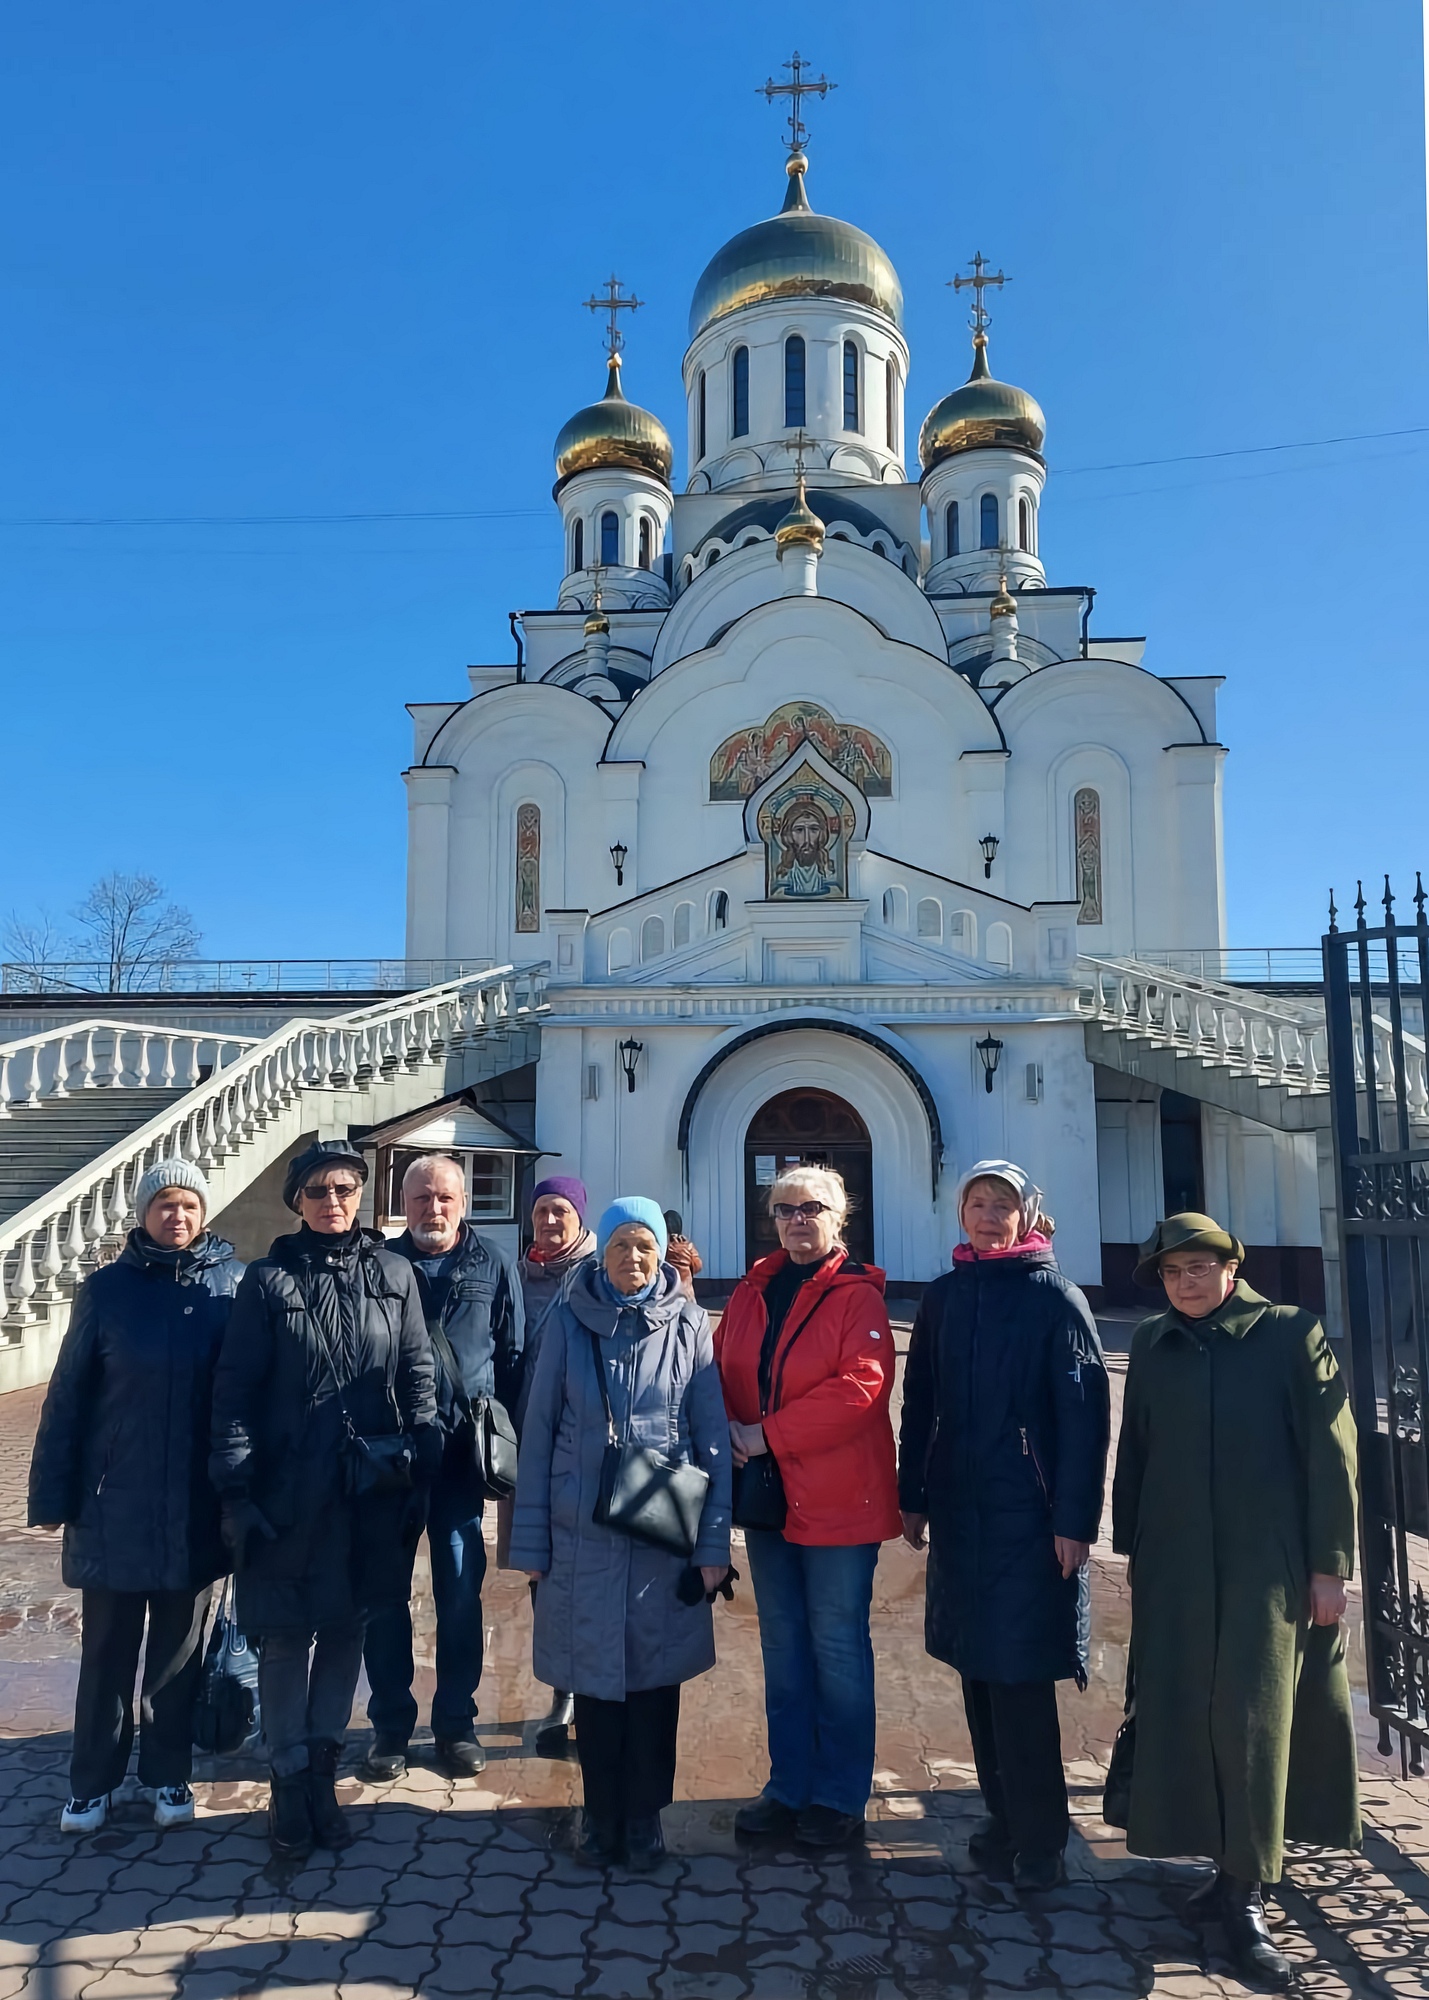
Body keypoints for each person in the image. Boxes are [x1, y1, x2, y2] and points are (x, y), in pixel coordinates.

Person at [1112, 1212, 1359, 1989]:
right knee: (1186, 1709)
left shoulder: (1290, 1334)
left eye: (1199, 1268)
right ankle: (1215, 1866)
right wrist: (1131, 1547)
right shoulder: (1153, 1343)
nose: (1186, 1284)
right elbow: (1138, 1448)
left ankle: (1248, 1890)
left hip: (1266, 1565)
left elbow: (1330, 1450)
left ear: (1231, 1268)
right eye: (1171, 1272)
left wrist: (1329, 1566)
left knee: (1253, 1717)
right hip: (1178, 1562)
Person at [210, 1139, 439, 1860]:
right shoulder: (267, 1280)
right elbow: (235, 1391)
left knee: (346, 1631)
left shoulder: (395, 1273)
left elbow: (416, 1372)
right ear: (297, 1201)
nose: (332, 1201)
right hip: (286, 1491)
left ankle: (320, 1774)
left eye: (344, 1188)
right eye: (318, 1191)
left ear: (361, 1197)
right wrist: (237, 1489)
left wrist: (421, 1461)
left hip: (366, 1494)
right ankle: (285, 1782)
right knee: (284, 1638)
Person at [897, 1161, 1109, 1893]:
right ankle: (1002, 1814)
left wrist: (1073, 1519)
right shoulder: (948, 1296)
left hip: (1027, 1517)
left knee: (1018, 1675)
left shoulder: (1054, 1299)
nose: (989, 1216)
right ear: (961, 1214)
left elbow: (1084, 1423)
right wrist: (912, 1495)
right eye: (977, 1203)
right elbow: (919, 1399)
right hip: (960, 1510)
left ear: (1027, 1214)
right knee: (977, 1671)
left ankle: (1042, 1838)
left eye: (1003, 1205)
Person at [510, 1196, 731, 1871]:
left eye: (643, 1246)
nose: (632, 1259)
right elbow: (538, 1435)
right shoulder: (567, 1324)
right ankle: (599, 1813)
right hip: (580, 1535)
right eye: (619, 1247)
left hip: (660, 1534)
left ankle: (644, 1817)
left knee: (653, 1685)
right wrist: (531, 1548)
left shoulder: (690, 1326)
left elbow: (712, 1438)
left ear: (661, 1252)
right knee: (595, 1685)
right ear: (599, 1252)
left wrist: (713, 1546)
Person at [28, 1160, 243, 1834]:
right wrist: (52, 1496)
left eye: (188, 1205)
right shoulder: (106, 1291)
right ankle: (91, 1782)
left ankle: (167, 1774)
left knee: (177, 1655)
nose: (176, 1217)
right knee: (107, 1654)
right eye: (164, 1205)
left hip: (194, 1506)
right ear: (143, 1213)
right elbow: (67, 1399)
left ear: (203, 1213)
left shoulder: (230, 1288)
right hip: (113, 1504)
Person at [715, 1164, 901, 1851]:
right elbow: (722, 1369)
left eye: (812, 1208)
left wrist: (764, 1435)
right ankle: (787, 1784)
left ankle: (839, 1794)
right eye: (785, 1208)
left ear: (839, 1218)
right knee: (782, 1646)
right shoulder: (751, 1290)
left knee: (836, 1647)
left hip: (836, 1500)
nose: (798, 1219)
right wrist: (723, 1434)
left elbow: (860, 1388)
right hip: (768, 1499)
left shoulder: (857, 1298)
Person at [362, 1153, 524, 1783]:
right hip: (393, 1461)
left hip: (459, 1462)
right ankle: (390, 1726)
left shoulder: (492, 1263)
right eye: (423, 1197)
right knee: (385, 1598)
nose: (434, 1209)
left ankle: (455, 1722)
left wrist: (494, 1433)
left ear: (465, 1203)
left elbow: (513, 1354)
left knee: (459, 1595)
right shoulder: (380, 1265)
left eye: (446, 1198)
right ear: (405, 1201)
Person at [516, 1175, 597, 1751]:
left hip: (584, 1449)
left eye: (560, 1211)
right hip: (525, 1447)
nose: (548, 1221)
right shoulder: (517, 1274)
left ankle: (593, 1690)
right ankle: (562, 1689)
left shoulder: (596, 1276)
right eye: (541, 1210)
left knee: (589, 1569)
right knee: (541, 1570)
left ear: (581, 1217)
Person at [662, 1210, 703, 1300]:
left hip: (667, 1294)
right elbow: (698, 1266)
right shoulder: (688, 1246)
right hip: (686, 1293)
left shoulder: (662, 1246)